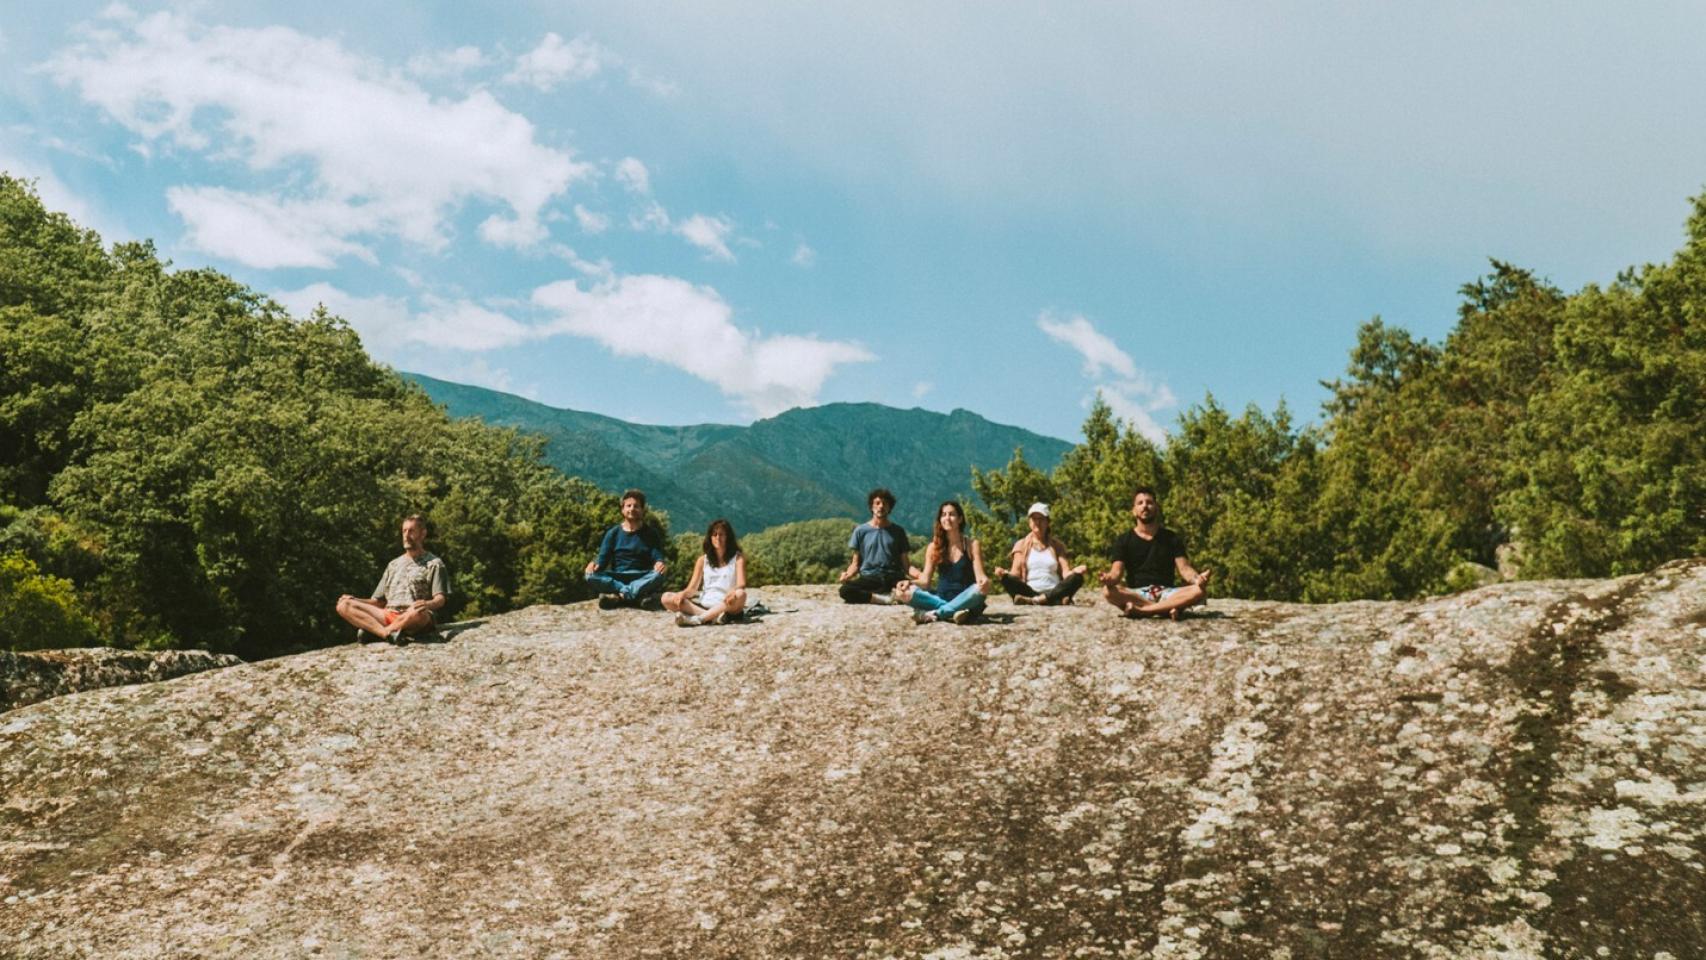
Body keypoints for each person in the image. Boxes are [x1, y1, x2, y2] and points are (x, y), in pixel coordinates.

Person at [1100, 487, 1212, 618]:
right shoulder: (1123, 540)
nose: (1145, 506)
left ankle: (1144, 611)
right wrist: (1109, 579)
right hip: (1137, 593)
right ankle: (1167, 609)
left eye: (1149, 502)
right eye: (1140, 503)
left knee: (1199, 591)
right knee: (1108, 592)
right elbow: (1116, 573)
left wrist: (1198, 579)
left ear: (1156, 508)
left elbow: (1185, 569)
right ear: (1134, 511)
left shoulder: (1171, 538)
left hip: (1167, 593)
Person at [336, 514, 450, 644]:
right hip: (388, 614)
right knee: (343, 605)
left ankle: (378, 631)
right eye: (404, 531)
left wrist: (426, 604)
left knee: (419, 612)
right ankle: (386, 633)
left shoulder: (434, 563)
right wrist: (354, 599)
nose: (406, 535)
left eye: (411, 531)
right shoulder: (393, 565)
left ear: (423, 534)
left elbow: (440, 599)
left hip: (414, 616)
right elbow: (378, 602)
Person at [896, 500, 989, 624]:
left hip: (967, 598)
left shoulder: (972, 545)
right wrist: (908, 583)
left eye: (952, 514)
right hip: (941, 598)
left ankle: (935, 613)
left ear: (960, 519)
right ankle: (954, 611)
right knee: (904, 593)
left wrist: (984, 581)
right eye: (943, 515)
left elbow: (980, 577)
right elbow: (925, 582)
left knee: (979, 590)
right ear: (940, 520)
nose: (947, 518)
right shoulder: (934, 547)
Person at [585, 489, 668, 608]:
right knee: (590, 575)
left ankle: (619, 596)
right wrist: (594, 564)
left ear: (642, 510)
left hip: (641, 576)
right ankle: (633, 594)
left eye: (636, 506)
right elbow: (602, 559)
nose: (632, 509)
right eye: (628, 506)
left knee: (659, 575)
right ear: (622, 510)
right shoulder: (613, 533)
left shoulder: (651, 533)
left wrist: (660, 562)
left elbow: (657, 555)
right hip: (618, 577)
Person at [995, 502, 1086, 605]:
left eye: (1041, 519)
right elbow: (1015, 573)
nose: (1037, 523)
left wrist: (1075, 572)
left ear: (1047, 522)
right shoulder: (1021, 545)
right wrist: (1004, 574)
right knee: (1007, 580)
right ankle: (1051, 600)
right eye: (1034, 519)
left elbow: (1065, 572)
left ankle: (1042, 599)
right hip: (1030, 591)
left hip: (1054, 590)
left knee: (1077, 578)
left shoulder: (1057, 546)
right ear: (1029, 523)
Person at [664, 518, 748, 627]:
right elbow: (692, 589)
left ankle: (698, 619)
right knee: (666, 597)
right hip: (705, 604)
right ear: (710, 538)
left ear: (728, 537)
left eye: (722, 534)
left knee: (741, 594)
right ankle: (712, 617)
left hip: (728, 604)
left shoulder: (738, 558)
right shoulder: (702, 560)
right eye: (714, 534)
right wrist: (682, 594)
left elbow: (742, 583)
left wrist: (733, 590)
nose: (718, 537)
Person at [838, 487, 911, 604]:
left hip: (893, 577)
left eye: (884, 504)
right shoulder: (861, 531)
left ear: (889, 508)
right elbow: (855, 564)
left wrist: (921, 576)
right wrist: (848, 575)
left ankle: (890, 593)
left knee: (916, 590)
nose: (880, 506)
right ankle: (881, 599)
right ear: (871, 507)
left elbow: (906, 564)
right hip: (870, 577)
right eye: (877, 503)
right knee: (845, 590)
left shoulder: (898, 531)